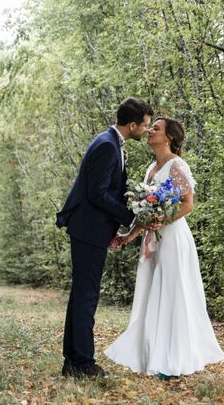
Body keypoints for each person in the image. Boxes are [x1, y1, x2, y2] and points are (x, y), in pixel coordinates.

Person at [104, 117, 224, 378]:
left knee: (172, 294)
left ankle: (174, 360)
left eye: (155, 129)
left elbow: (188, 203)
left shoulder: (176, 165)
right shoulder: (151, 169)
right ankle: (154, 355)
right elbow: (146, 212)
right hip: (153, 240)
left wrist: (162, 222)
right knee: (153, 294)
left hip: (173, 239)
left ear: (169, 137)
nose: (149, 131)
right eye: (150, 128)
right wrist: (129, 235)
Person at [56, 98, 154, 379]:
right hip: (88, 230)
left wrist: (112, 229)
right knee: (86, 298)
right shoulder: (107, 145)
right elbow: (97, 193)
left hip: (93, 228)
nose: (146, 130)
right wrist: (130, 216)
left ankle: (73, 361)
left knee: (81, 297)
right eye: (145, 125)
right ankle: (83, 363)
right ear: (132, 124)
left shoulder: (111, 143)